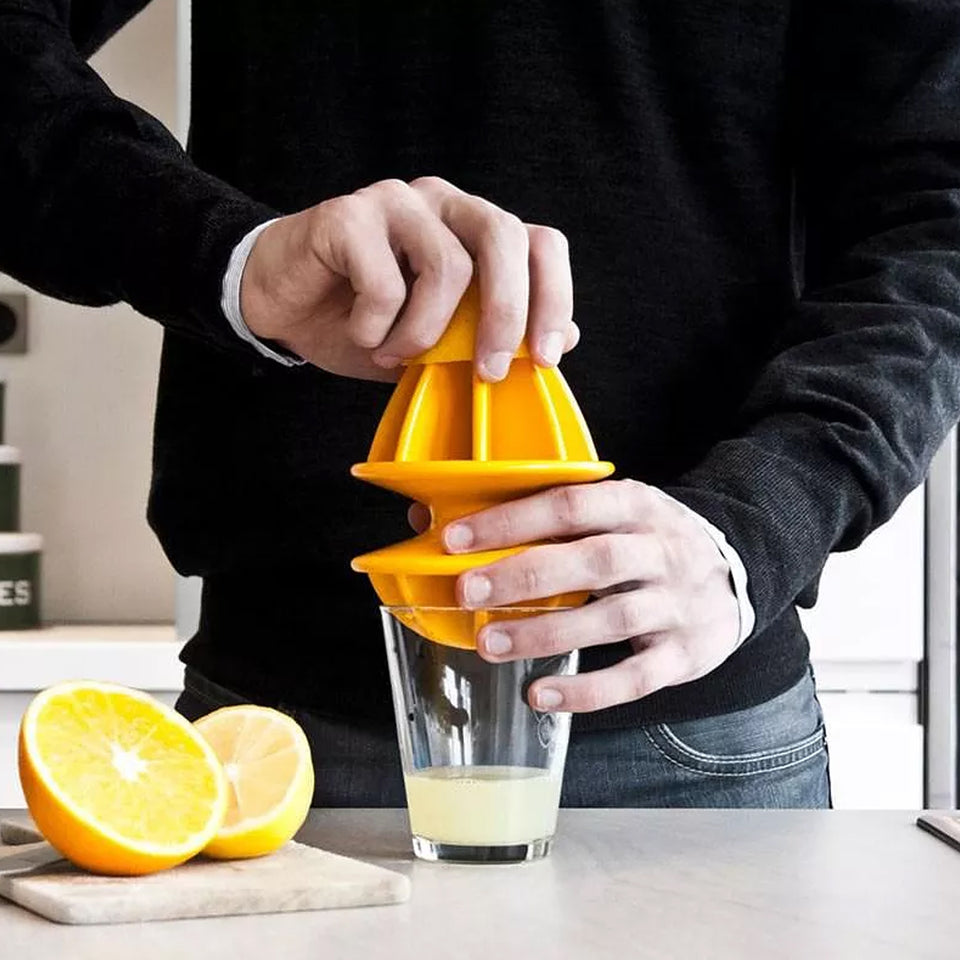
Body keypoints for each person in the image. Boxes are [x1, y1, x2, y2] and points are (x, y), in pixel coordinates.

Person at [2, 1, 959, 809]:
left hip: (690, 728)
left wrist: (760, 521)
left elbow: (938, 212)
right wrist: (229, 257)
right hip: (278, 735)